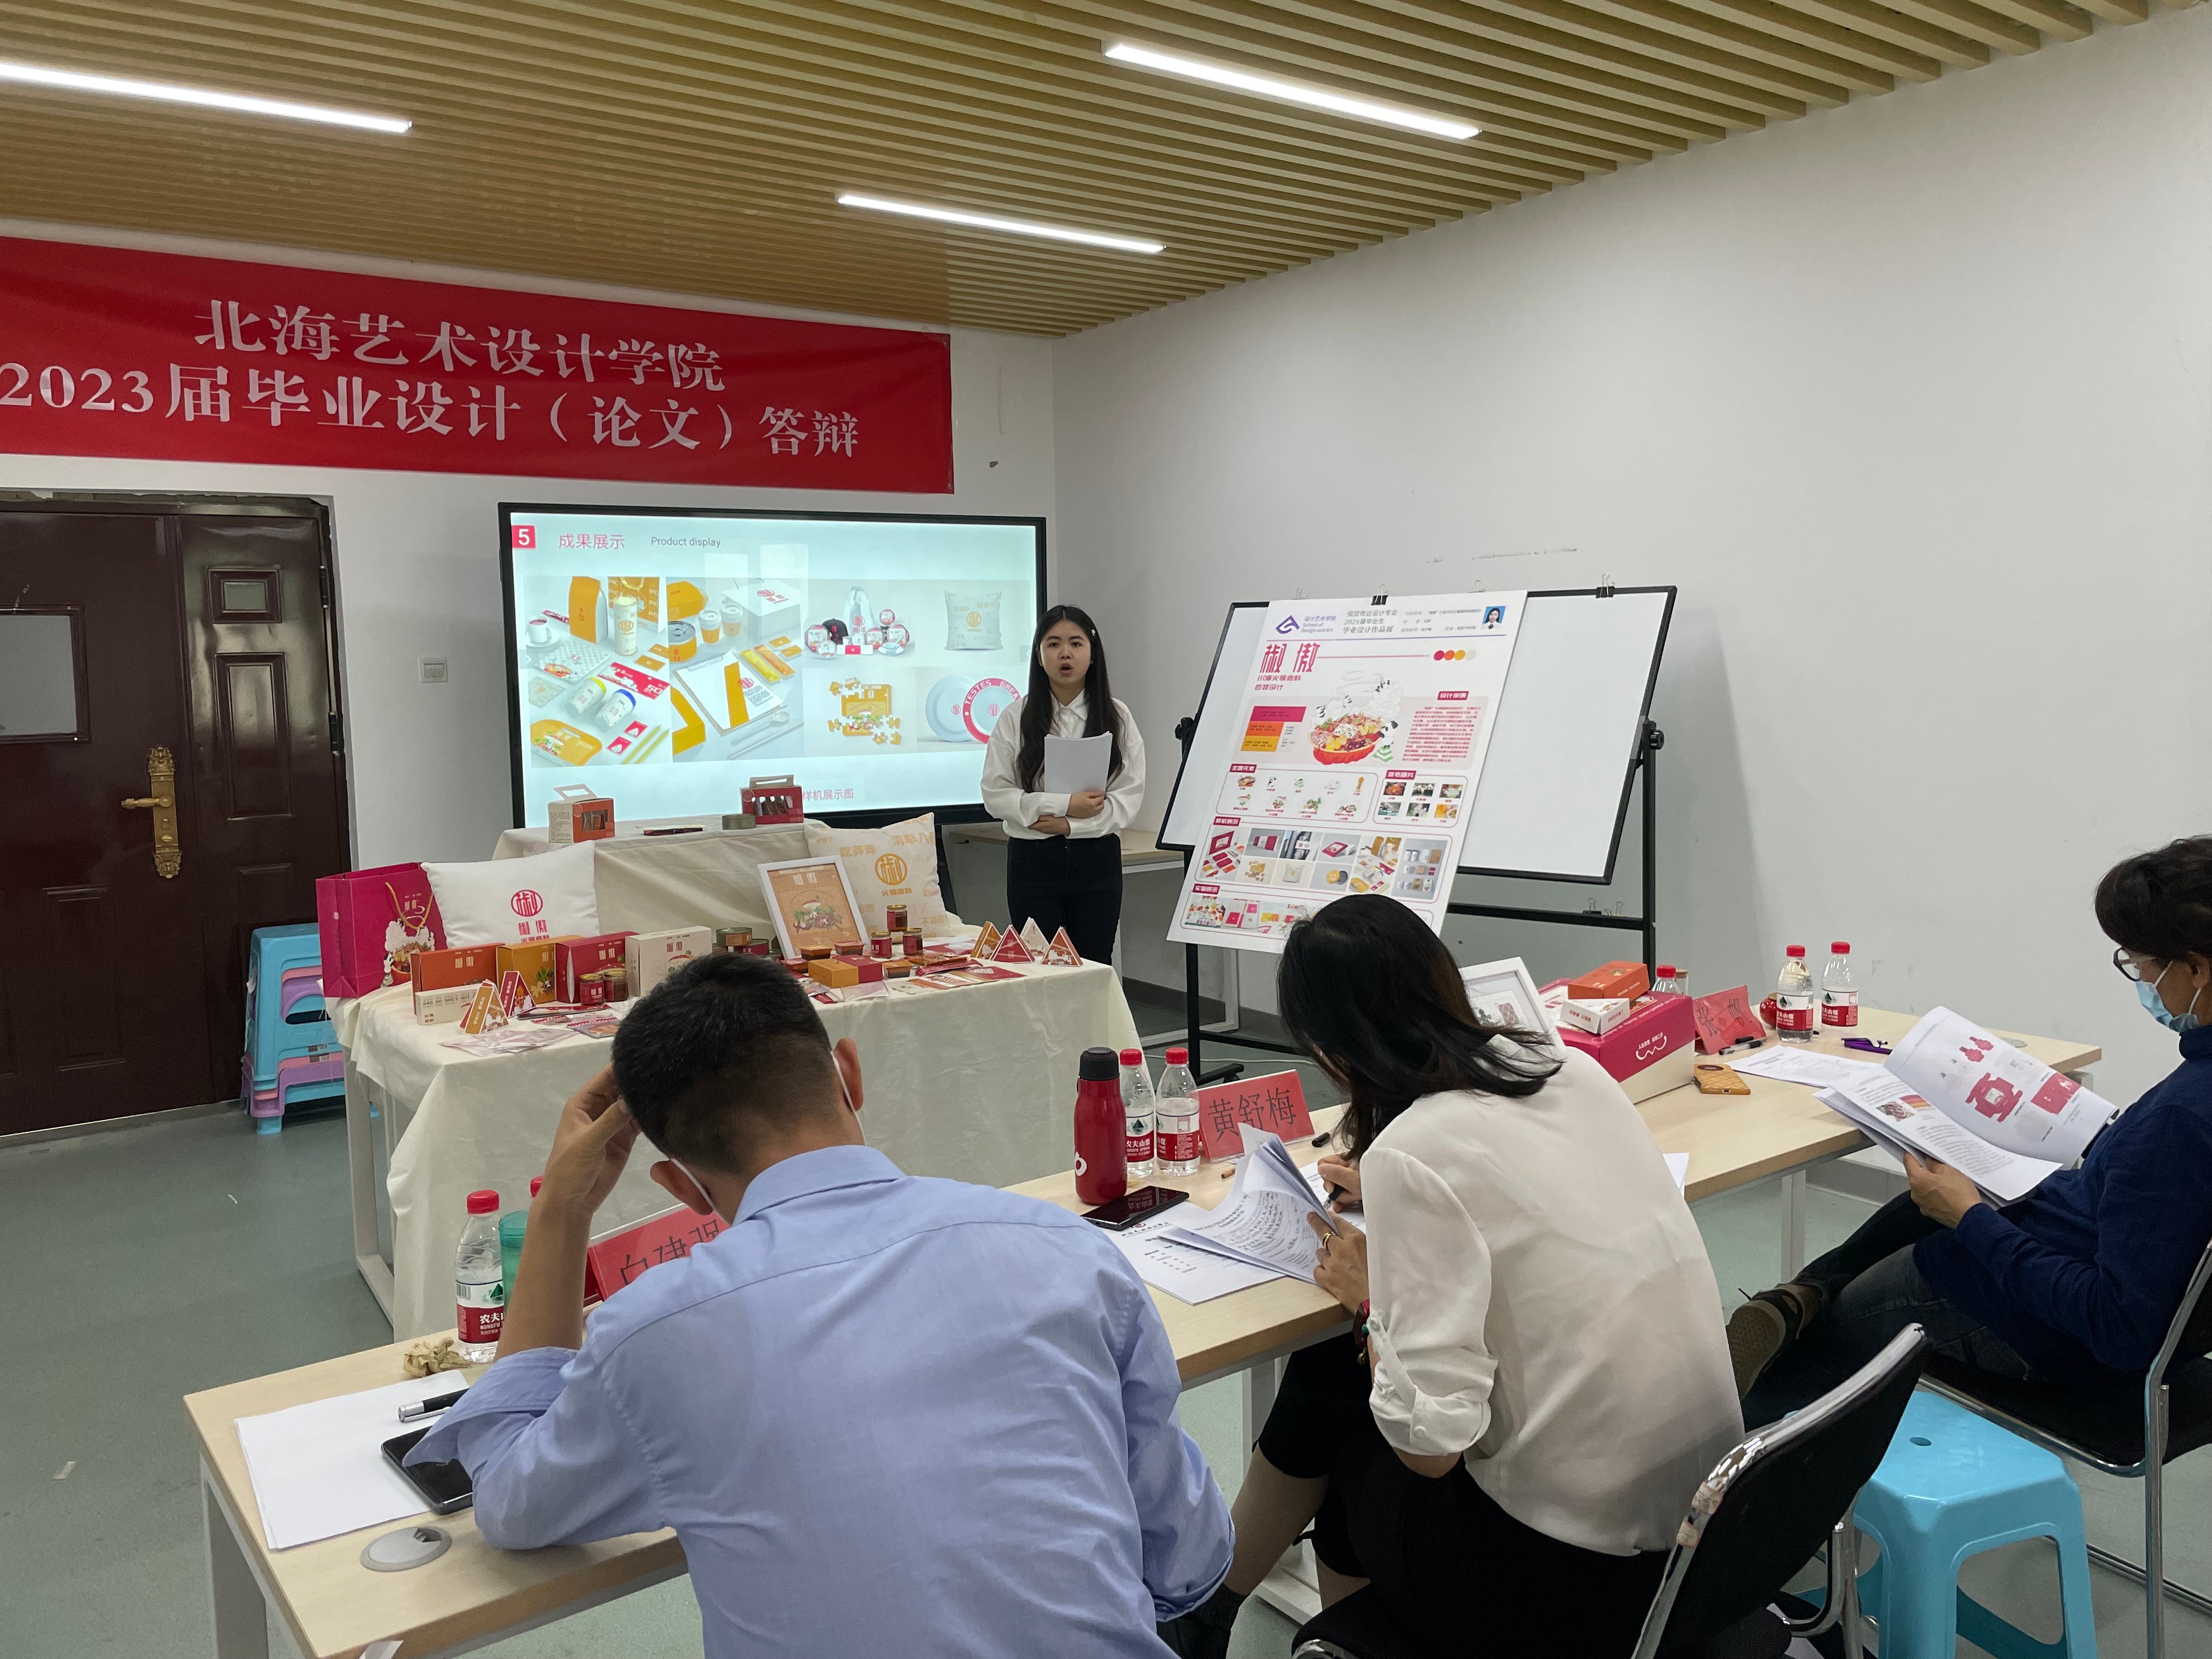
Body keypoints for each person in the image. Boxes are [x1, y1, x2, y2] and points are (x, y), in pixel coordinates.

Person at [408, 952, 1230, 1658]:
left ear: (679, 1186)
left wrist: (561, 1212)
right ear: (850, 1074)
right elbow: (1188, 1558)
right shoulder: (1065, 1250)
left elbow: (511, 1503)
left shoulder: (654, 1334)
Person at [1161, 895, 1742, 1658]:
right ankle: (1219, 1607)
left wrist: (1370, 1299)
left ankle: (1261, 1620)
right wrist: (1391, 1197)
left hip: (1575, 1583)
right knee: (1343, 1379)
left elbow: (1430, 1450)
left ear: (1332, 1049)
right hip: (1704, 1535)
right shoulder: (1569, 1068)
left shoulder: (1414, 1152)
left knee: (1345, 1414)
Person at [1731, 836, 2212, 1424]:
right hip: (2075, 1242)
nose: (2139, 977)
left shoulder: (2180, 1122)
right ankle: (1801, 1295)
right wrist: (2105, 1139)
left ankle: (1744, 1464)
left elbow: (2120, 1328)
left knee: (1825, 1338)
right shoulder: (2190, 1096)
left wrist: (1971, 1220)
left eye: (2141, 964)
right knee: (1934, 1195)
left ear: (2196, 967)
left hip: (2056, 1338)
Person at [980, 604, 1145, 963]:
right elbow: (995, 793)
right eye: (1053, 644)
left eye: (1076, 643)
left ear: (1092, 653)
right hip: (1033, 860)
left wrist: (1070, 826)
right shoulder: (1016, 717)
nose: (1065, 653)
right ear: (1039, 656)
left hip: (1097, 859)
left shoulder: (1117, 716)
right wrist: (1063, 806)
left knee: (1094, 963)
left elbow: (1128, 797)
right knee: (1039, 967)